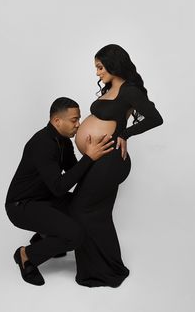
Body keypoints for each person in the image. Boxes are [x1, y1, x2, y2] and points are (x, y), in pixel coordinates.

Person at [68, 44, 164, 288]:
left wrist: (125, 133)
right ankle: (105, 270)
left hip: (111, 160)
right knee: (95, 212)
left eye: (100, 67)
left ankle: (103, 271)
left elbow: (155, 118)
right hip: (97, 157)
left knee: (83, 209)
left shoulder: (130, 91)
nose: (97, 73)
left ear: (113, 64)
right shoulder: (111, 87)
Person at [4, 97, 116, 285]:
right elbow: (59, 187)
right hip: (21, 206)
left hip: (45, 199)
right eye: (74, 120)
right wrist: (88, 157)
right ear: (57, 121)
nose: (78, 125)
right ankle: (26, 255)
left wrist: (95, 157)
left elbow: (74, 172)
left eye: (79, 119)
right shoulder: (42, 143)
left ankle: (45, 236)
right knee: (75, 235)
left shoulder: (64, 142)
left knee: (82, 208)